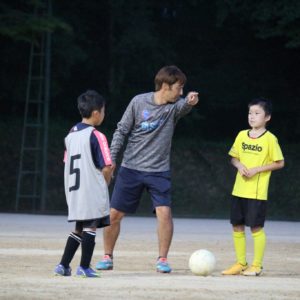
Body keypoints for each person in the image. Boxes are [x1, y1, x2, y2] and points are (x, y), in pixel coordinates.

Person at [95, 65, 199, 273]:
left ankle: (162, 259)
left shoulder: (173, 108)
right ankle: (107, 256)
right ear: (165, 86)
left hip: (158, 171)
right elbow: (121, 130)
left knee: (164, 213)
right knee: (114, 214)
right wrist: (112, 158)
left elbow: (184, 106)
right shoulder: (138, 101)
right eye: (178, 88)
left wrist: (189, 101)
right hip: (131, 168)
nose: (181, 92)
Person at [54, 90, 114, 278]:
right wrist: (104, 184)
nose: (104, 114)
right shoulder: (97, 136)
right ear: (96, 113)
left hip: (74, 189)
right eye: (103, 111)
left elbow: (67, 161)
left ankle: (63, 265)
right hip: (91, 188)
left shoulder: (71, 134)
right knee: (91, 226)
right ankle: (84, 267)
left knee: (79, 228)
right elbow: (107, 166)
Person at [222, 97, 284, 276]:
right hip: (238, 189)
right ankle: (241, 263)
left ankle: (256, 265)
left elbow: (279, 162)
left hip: (256, 193)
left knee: (255, 227)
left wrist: (257, 169)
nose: (252, 116)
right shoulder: (242, 135)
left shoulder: (270, 139)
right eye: (250, 113)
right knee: (237, 225)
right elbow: (233, 157)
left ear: (267, 118)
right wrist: (238, 165)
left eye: (257, 113)